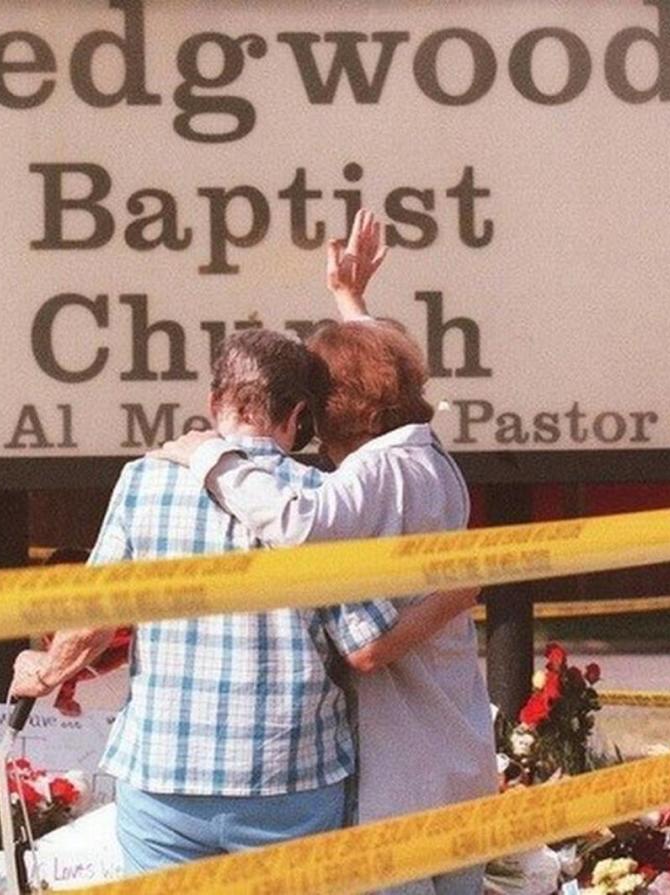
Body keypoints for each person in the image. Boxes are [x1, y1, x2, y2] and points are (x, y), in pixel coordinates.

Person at [155, 210, 498, 895]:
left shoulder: (376, 473)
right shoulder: (431, 460)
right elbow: (387, 382)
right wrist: (351, 301)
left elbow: (295, 520)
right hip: (458, 757)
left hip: (402, 777)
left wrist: (209, 454)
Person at [9, 328, 408, 874]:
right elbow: (366, 641)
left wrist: (44, 672)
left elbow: (91, 621)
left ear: (215, 402)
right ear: (296, 416)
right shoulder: (320, 498)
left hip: (163, 777)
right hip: (289, 779)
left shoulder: (143, 481)